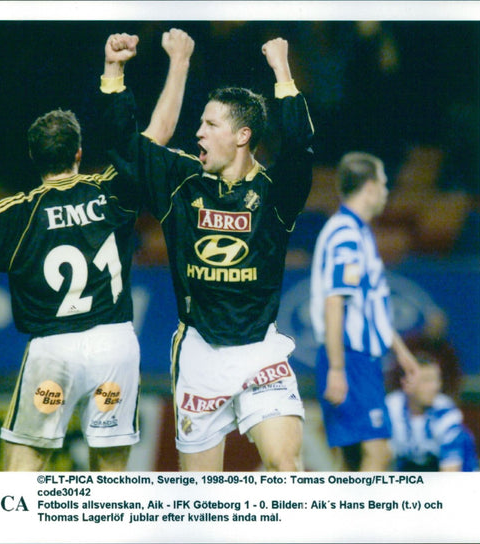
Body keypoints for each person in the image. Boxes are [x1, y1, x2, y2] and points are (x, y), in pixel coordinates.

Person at [0, 30, 192, 471]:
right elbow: (156, 137)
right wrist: (178, 62)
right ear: (79, 153)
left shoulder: (16, 214)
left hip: (54, 357)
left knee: (24, 466)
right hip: (113, 348)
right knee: (111, 472)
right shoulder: (112, 191)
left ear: (33, 157)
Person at [99, 31, 314, 471]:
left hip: (260, 352)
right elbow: (125, 146)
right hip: (199, 353)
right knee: (202, 496)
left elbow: (300, 147)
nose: (197, 132)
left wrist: (282, 72)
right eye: (199, 124)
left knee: (285, 467)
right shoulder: (181, 181)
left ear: (242, 136)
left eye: (210, 125)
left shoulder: (276, 194)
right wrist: (114, 71)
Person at [309, 151, 420, 471]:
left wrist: (400, 353)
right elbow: (335, 302)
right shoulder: (345, 234)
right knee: (378, 453)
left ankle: (346, 519)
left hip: (357, 358)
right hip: (351, 357)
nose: (386, 191)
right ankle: (362, 521)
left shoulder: (358, 232)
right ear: (370, 187)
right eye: (384, 183)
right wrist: (338, 368)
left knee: (352, 457)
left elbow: (371, 305)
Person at [385, 358, 479, 471]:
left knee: (464, 437)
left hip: (449, 473)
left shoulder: (446, 412)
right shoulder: (391, 409)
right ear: (406, 383)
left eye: (437, 380)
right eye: (427, 380)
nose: (435, 387)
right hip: (409, 470)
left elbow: (450, 473)